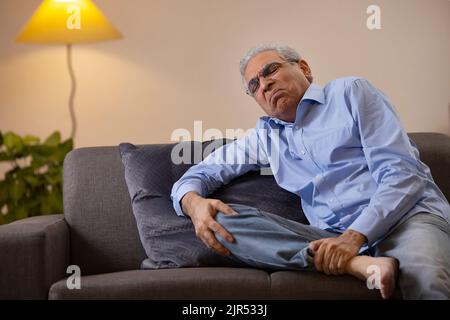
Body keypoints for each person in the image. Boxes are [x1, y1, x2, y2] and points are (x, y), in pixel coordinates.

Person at [171, 44, 450, 299]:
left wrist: (355, 236)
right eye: (254, 85)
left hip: (406, 220)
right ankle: (360, 265)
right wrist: (193, 203)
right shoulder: (265, 138)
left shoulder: (351, 92)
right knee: (219, 221)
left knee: (427, 279)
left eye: (271, 70)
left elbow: (401, 173)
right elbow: (204, 172)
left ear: (303, 68)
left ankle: (352, 257)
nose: (265, 84)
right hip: (328, 238)